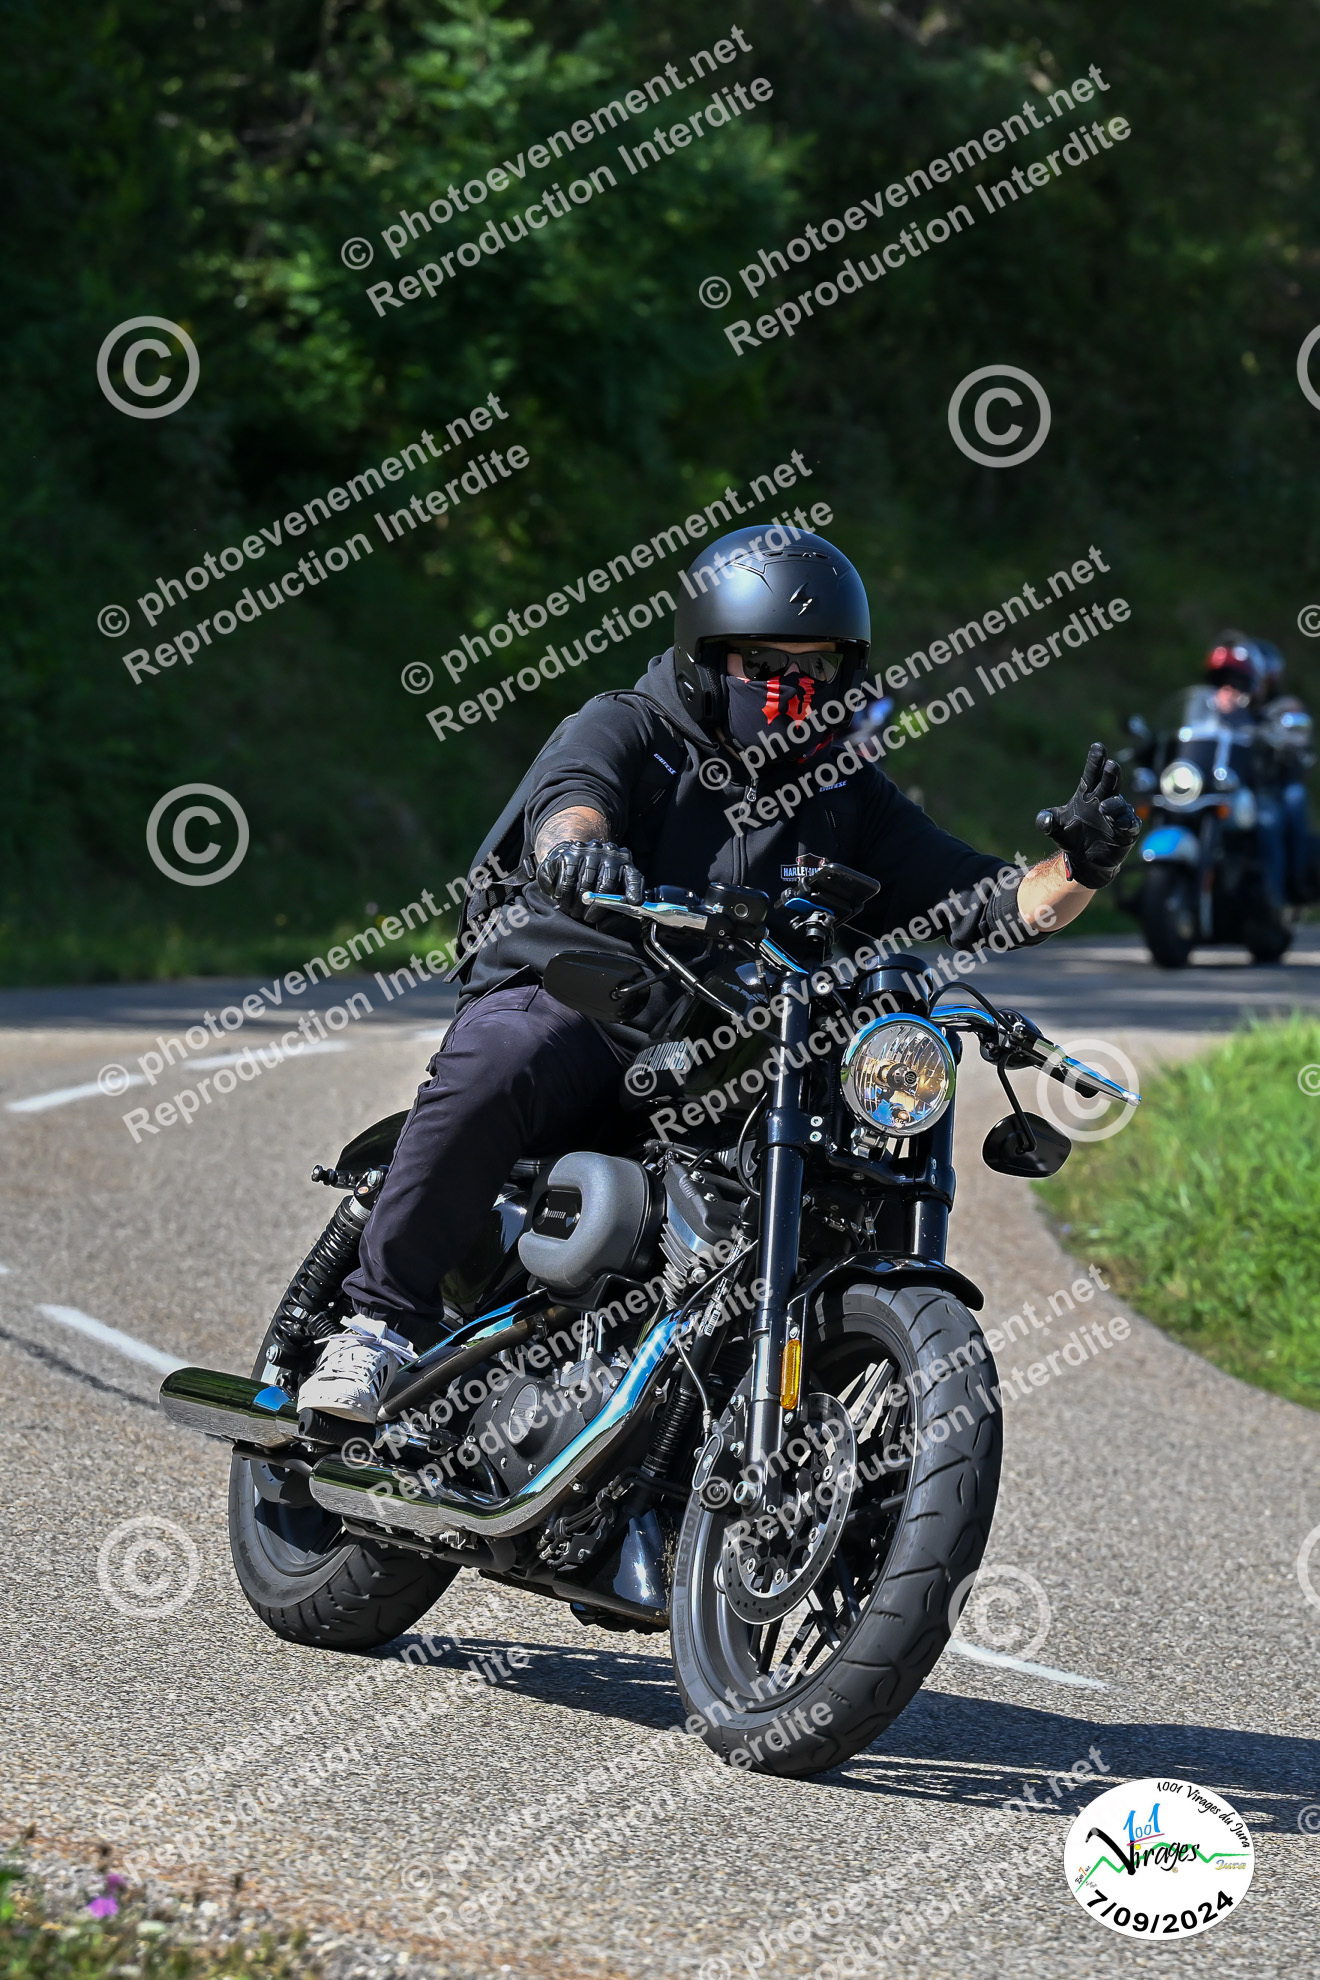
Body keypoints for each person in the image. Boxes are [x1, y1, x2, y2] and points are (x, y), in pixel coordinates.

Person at [299, 527, 1140, 1421]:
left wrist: (1080, 866)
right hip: (591, 1001)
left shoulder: (845, 793)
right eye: (764, 664)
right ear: (707, 659)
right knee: (503, 1055)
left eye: (816, 668)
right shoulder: (631, 726)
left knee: (844, 1145)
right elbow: (571, 800)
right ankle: (375, 1329)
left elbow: (989, 901)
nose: (792, 687)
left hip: (732, 1047)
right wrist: (580, 851)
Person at [1205, 630, 1314, 905]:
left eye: (1242, 678)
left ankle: (1278, 896)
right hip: (1224, 787)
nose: (1234, 685)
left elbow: (1294, 741)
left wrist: (1243, 720)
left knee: (1275, 817)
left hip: (1266, 788)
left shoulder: (1284, 706)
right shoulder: (1214, 705)